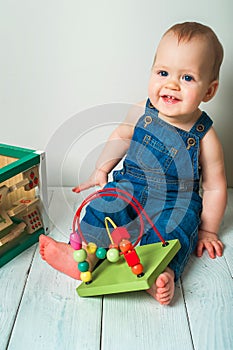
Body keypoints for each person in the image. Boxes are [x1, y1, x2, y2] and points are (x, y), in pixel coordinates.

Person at [40, 22, 227, 305]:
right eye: (163, 73)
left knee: (171, 231)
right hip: (130, 184)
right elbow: (121, 136)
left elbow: (214, 186)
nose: (171, 84)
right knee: (104, 208)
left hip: (175, 200)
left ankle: (158, 274)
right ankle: (83, 256)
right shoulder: (142, 110)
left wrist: (209, 229)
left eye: (187, 78)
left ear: (209, 91)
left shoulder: (204, 135)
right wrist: (102, 169)